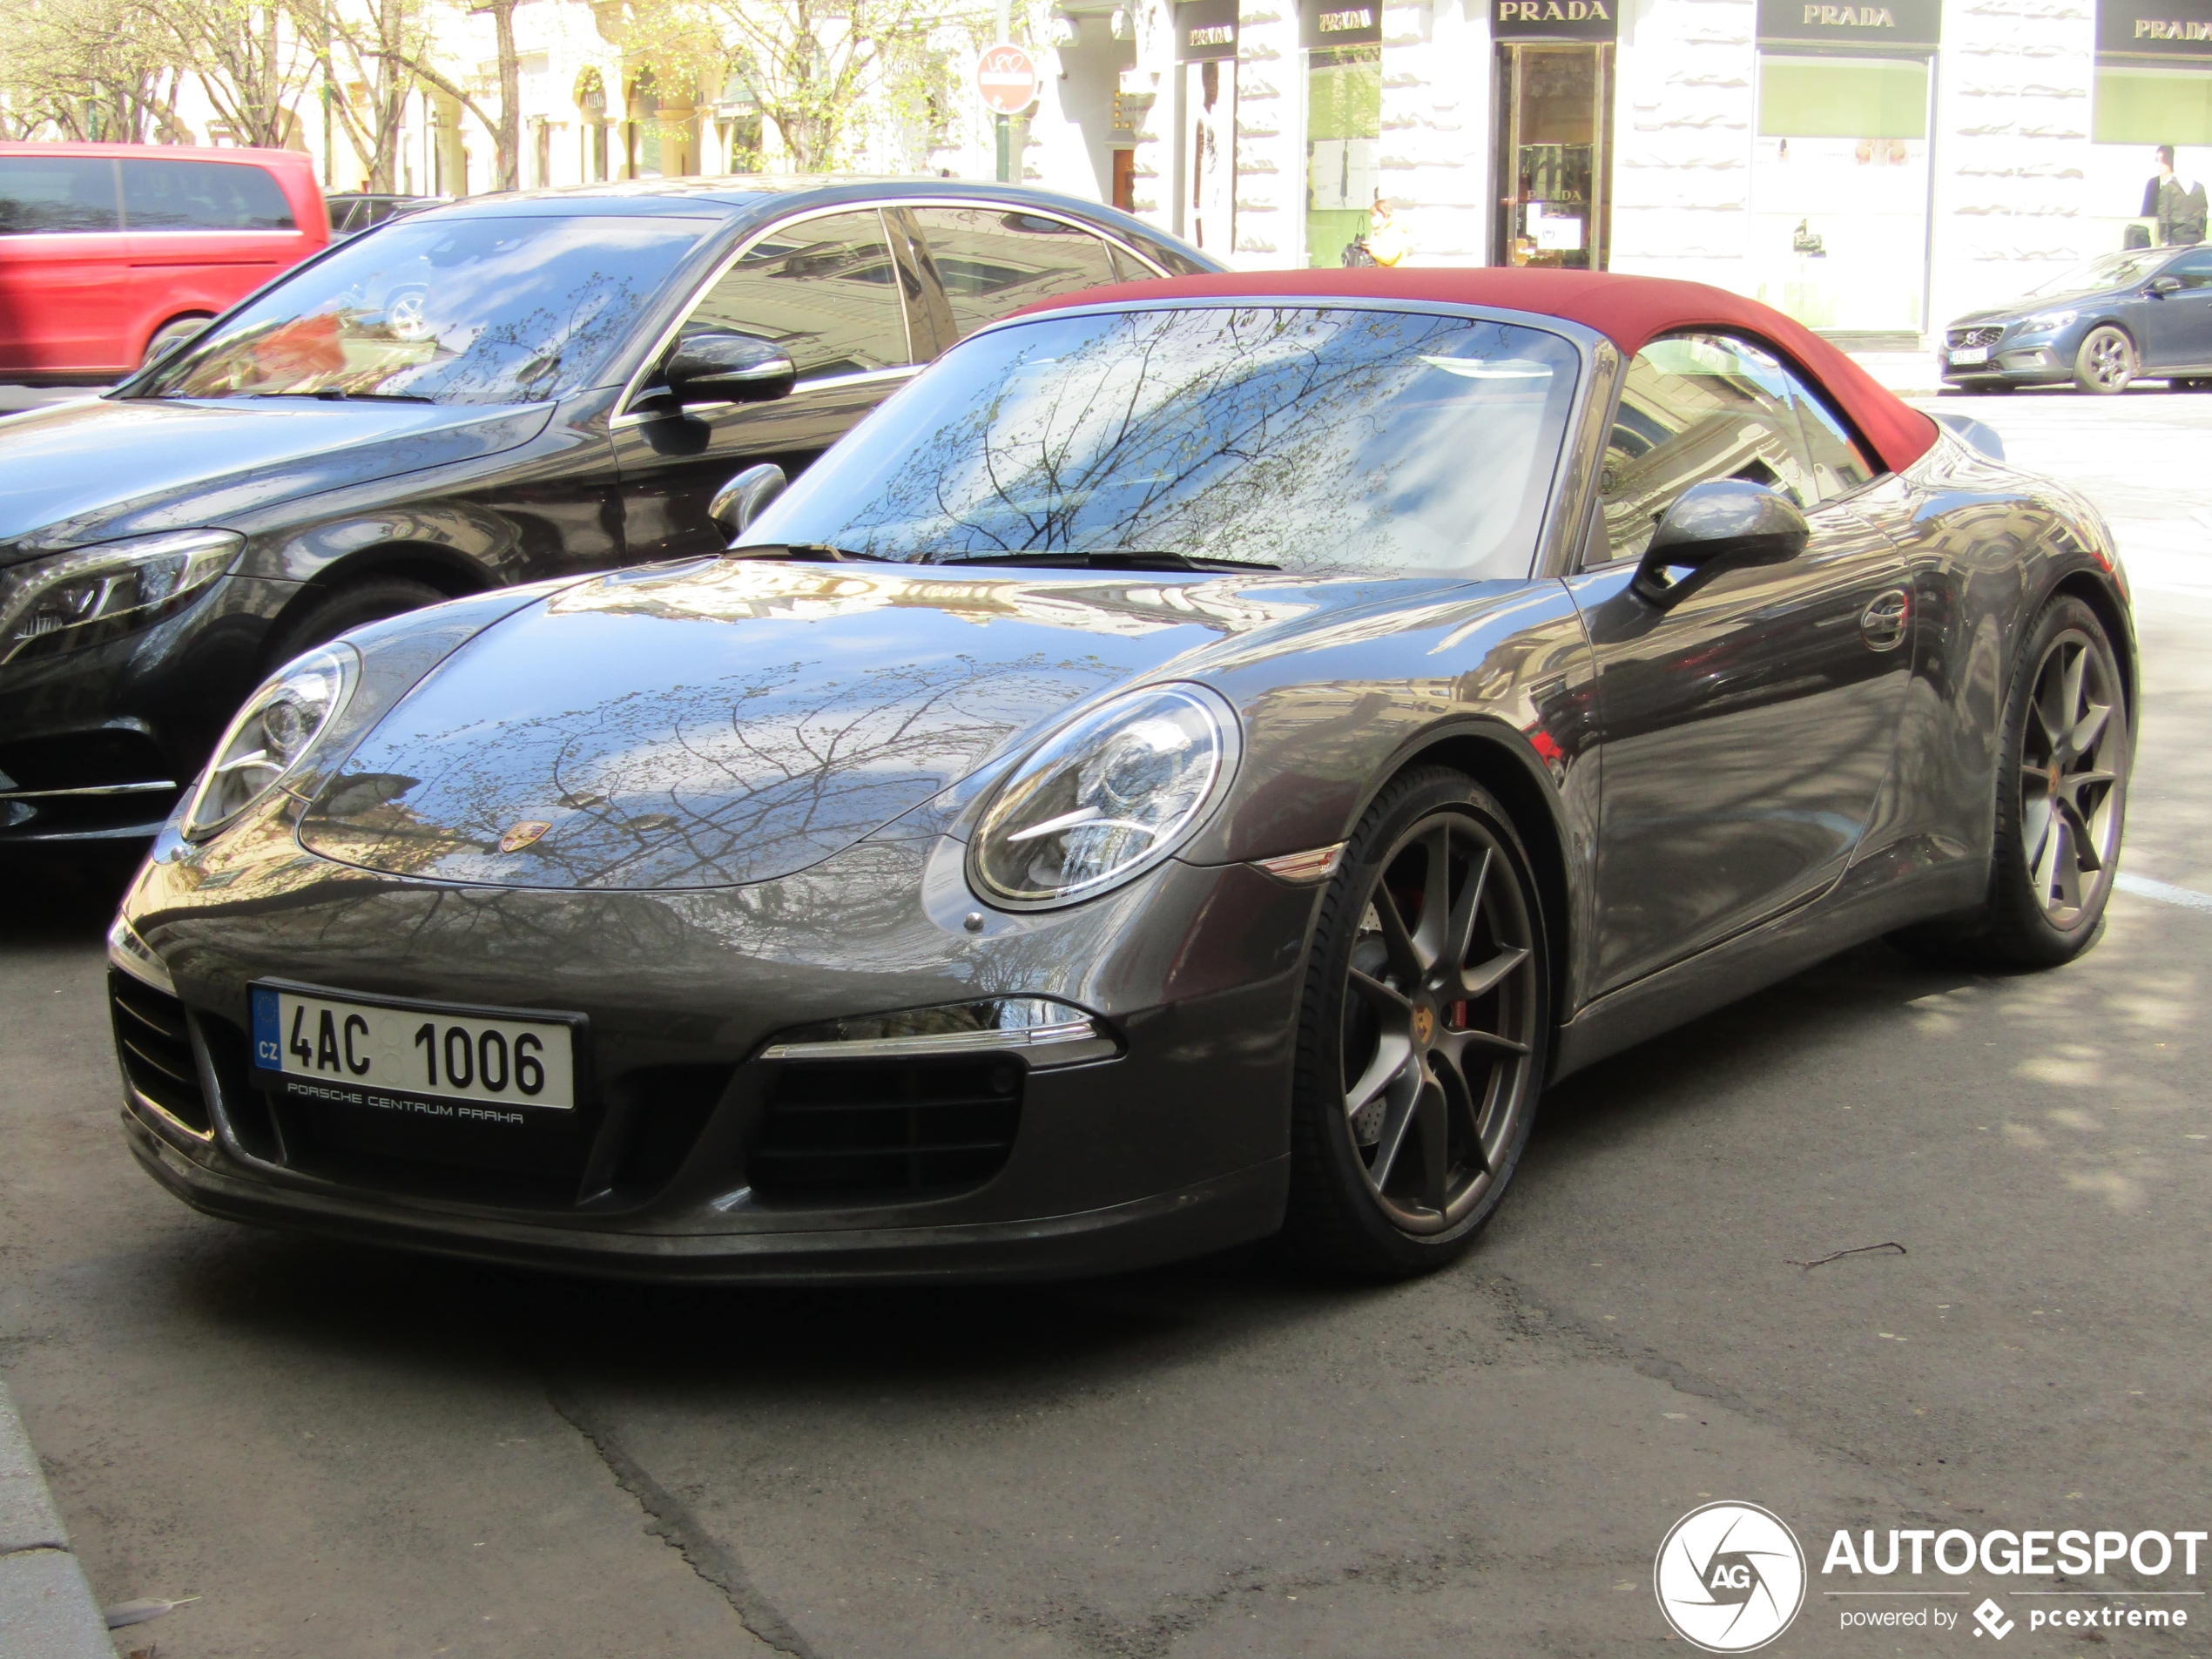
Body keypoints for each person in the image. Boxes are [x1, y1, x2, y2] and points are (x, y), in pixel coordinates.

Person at [2148, 145, 2209, 246]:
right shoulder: (2199, 188)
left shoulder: (2169, 188)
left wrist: (2164, 241)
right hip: (2193, 239)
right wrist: (2202, 237)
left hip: (2178, 239)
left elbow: (2163, 216)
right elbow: (2203, 217)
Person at [1366, 197, 1411, 267]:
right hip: (1381, 274)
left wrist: (1370, 248)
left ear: (1384, 213)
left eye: (1375, 215)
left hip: (1394, 275)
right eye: (1372, 216)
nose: (1372, 219)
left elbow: (1389, 257)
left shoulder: (1395, 230)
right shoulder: (1377, 230)